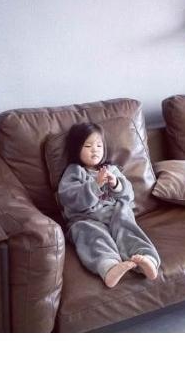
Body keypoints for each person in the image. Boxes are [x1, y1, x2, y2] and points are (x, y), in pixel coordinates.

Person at [58, 122, 161, 288]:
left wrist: (116, 184)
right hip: (86, 218)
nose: (95, 150)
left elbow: (128, 195)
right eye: (88, 146)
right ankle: (109, 267)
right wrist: (95, 185)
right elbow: (70, 198)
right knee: (93, 236)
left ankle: (147, 259)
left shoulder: (111, 169)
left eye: (99, 145)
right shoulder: (74, 172)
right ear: (76, 149)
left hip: (114, 214)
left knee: (128, 230)